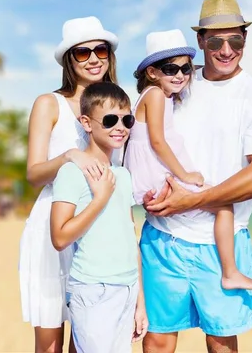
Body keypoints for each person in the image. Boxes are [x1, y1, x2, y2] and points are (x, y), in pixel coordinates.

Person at [140, 0, 252, 353]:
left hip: (220, 243)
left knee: (221, 340)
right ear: (200, 41)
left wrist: (191, 199)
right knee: (157, 339)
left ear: (244, 42)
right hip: (163, 237)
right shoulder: (176, 84)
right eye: (216, 40)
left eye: (235, 40)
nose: (226, 49)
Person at [124, 29, 252, 291]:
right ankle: (230, 272)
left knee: (219, 204)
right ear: (152, 73)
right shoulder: (155, 96)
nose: (179, 75)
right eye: (170, 69)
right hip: (157, 172)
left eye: (185, 69)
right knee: (223, 206)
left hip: (153, 171)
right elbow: (157, 141)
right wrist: (185, 174)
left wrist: (202, 68)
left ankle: (228, 271)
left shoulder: (161, 93)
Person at [18, 16, 121, 353]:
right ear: (68, 59)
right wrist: (68, 156)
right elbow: (34, 174)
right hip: (53, 226)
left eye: (100, 50)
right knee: (50, 344)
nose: (93, 58)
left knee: (88, 338)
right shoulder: (49, 103)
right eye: (82, 52)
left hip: (98, 224)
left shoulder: (115, 105)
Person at [50, 81, 148, 352]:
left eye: (127, 119)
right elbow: (59, 237)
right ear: (87, 122)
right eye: (109, 119)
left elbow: (131, 237)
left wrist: (140, 302)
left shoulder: (123, 175)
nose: (120, 127)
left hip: (127, 288)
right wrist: (100, 199)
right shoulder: (71, 172)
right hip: (94, 290)